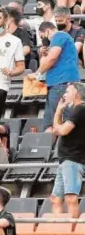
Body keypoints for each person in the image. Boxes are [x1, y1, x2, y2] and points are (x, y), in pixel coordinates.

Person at [29, 22, 80, 131]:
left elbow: (51, 59)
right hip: (53, 85)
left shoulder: (59, 35)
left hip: (63, 83)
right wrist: (42, 54)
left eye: (42, 36)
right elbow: (46, 62)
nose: (44, 40)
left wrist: (37, 73)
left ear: (47, 31)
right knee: (49, 123)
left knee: (64, 120)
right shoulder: (54, 44)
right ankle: (48, 147)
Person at [50, 82, 85, 219]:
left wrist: (58, 128)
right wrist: (59, 111)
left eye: (67, 92)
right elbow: (57, 129)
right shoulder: (75, 110)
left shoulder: (80, 109)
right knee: (55, 199)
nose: (64, 95)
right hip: (65, 160)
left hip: (73, 160)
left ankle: (73, 231)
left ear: (76, 93)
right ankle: (58, 230)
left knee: (70, 197)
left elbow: (62, 130)